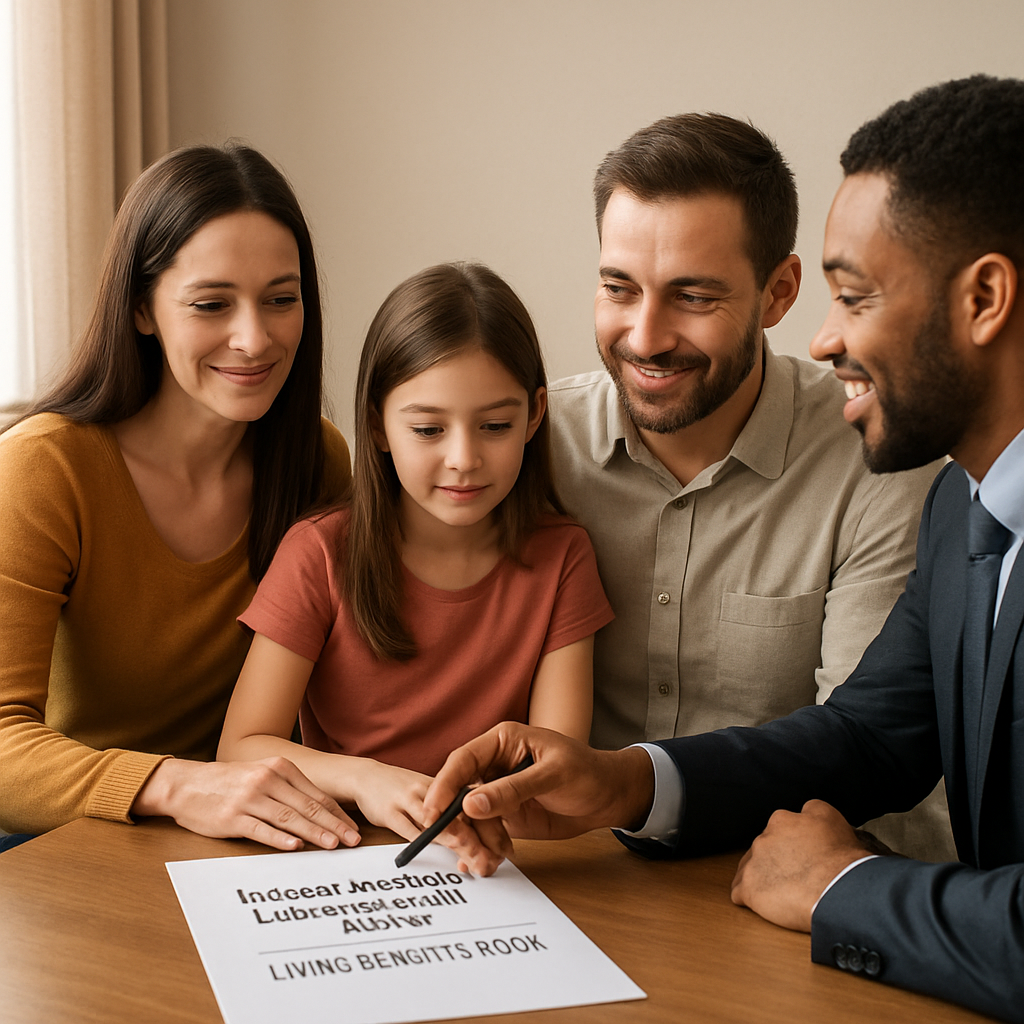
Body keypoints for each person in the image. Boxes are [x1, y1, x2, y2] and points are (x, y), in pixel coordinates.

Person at [423, 75, 1024, 1022]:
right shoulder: (968, 500)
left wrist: (839, 887)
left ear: (986, 297)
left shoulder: (905, 479)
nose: (828, 341)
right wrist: (621, 782)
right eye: (620, 285)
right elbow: (872, 737)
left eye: (855, 297)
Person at [547, 112, 949, 858]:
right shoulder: (527, 444)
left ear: (778, 292)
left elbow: (872, 763)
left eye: (693, 297)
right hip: (574, 886)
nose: (644, 336)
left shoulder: (879, 460)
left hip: (775, 897)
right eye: (618, 287)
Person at [0, 144, 361, 854]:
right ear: (142, 308)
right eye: (211, 304)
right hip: (66, 838)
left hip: (237, 833)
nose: (255, 338)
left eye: (281, 300)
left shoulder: (317, 459)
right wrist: (177, 786)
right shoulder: (45, 469)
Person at [218, 262, 612, 869]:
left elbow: (553, 761)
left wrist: (476, 810)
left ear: (535, 416)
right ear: (376, 423)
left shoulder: (562, 556)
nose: (464, 458)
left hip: (496, 857)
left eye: (496, 426)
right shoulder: (320, 551)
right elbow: (239, 749)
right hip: (341, 855)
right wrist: (367, 781)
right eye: (428, 428)